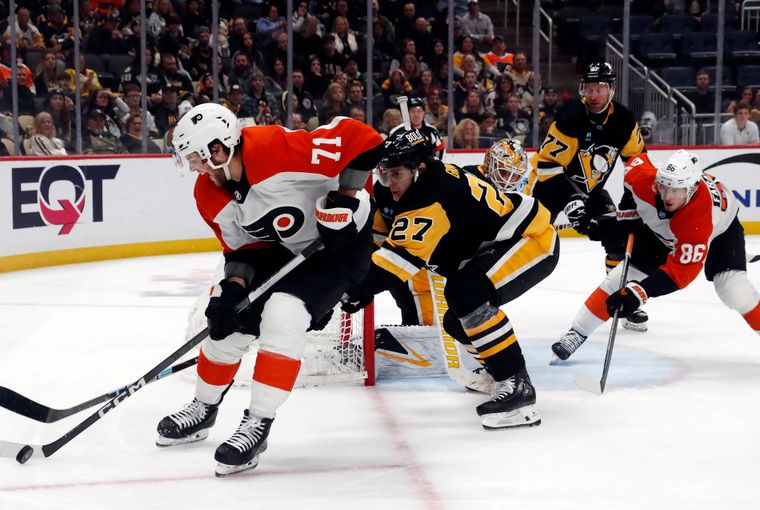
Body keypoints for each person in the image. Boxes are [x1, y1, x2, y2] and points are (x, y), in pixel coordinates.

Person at [158, 103, 384, 476]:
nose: (194, 168)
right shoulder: (208, 194)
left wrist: (345, 199)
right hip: (284, 250)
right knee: (226, 321)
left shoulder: (274, 149)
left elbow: (363, 139)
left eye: (196, 158)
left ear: (218, 149)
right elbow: (243, 250)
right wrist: (234, 289)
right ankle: (203, 407)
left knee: (284, 313)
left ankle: (257, 423)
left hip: (339, 249)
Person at [342, 129, 558, 429]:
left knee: (466, 293)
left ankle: (515, 383)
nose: (389, 182)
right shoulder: (433, 176)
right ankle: (497, 371)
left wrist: (346, 289)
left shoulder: (430, 200)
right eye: (386, 174)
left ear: (418, 170)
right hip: (503, 241)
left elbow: (391, 268)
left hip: (533, 239)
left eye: (396, 174)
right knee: (456, 320)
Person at [553, 150, 760, 360]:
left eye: (676, 189)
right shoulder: (644, 178)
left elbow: (680, 273)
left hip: (721, 232)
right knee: (622, 278)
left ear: (693, 188)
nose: (667, 196)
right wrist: (626, 218)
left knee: (733, 290)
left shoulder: (697, 221)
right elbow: (632, 176)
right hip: (669, 232)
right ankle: (577, 332)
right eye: (664, 186)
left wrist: (640, 292)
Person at [527, 61, 648, 332]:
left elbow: (638, 162)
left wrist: (637, 199)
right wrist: (573, 203)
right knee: (522, 242)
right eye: (589, 88)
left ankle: (622, 302)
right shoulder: (571, 117)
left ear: (612, 90)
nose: (593, 95)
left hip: (590, 192)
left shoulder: (625, 121)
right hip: (552, 188)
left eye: (600, 88)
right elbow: (547, 167)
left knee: (618, 237)